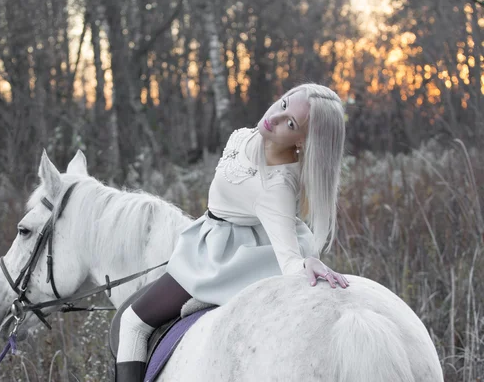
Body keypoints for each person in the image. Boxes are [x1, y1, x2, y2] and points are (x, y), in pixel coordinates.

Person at [116, 83, 350, 381]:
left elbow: (289, 258)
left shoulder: (276, 186)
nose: (275, 118)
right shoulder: (243, 135)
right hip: (215, 235)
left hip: (232, 257)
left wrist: (305, 262)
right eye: (283, 104)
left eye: (290, 123)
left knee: (133, 322)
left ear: (304, 142)